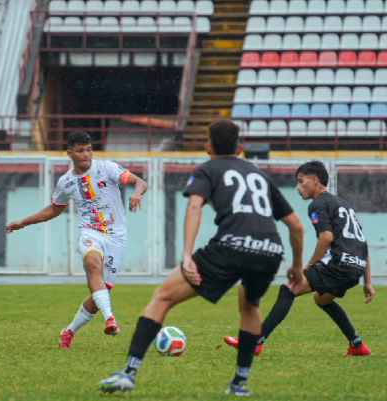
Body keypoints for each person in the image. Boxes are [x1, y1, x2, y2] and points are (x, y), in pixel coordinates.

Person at [98, 120, 305, 396]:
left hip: (231, 246)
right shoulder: (259, 175)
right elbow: (296, 225)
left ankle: (129, 372)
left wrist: (187, 255)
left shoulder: (208, 169)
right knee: (249, 306)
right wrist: (297, 266)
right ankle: (240, 382)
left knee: (162, 297)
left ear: (208, 146)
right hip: (270, 250)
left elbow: (194, 206)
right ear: (240, 147)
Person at [6, 131, 148, 347]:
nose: (86, 154)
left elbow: (140, 182)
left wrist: (136, 192)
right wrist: (23, 222)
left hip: (116, 237)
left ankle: (69, 330)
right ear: (70, 153)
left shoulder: (107, 168)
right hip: (90, 233)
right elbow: (53, 209)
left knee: (100, 292)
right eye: (80, 150)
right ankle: (110, 318)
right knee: (92, 263)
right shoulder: (66, 182)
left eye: (89, 149)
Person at [224, 160, 375, 356]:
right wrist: (367, 282)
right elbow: (361, 242)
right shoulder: (344, 205)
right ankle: (357, 344)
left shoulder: (317, 204)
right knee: (322, 299)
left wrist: (307, 267)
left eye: (301, 181)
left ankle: (255, 341)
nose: (297, 186)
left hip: (338, 264)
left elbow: (326, 237)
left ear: (315, 180)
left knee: (290, 287)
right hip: (356, 267)